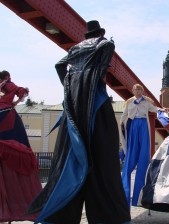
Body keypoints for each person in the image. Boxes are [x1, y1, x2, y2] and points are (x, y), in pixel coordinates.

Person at [28, 20, 131, 224]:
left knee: (68, 159)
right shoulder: (105, 44)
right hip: (97, 107)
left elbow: (59, 65)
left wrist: (69, 84)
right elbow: (99, 71)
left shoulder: (75, 48)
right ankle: (107, 217)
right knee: (104, 164)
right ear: (101, 32)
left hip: (74, 108)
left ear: (86, 35)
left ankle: (61, 216)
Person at [0, 70, 42, 222]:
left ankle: (6, 205)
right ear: (6, 77)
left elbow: (22, 92)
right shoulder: (8, 84)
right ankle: (21, 202)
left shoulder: (5, 85)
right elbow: (22, 92)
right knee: (16, 151)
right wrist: (14, 103)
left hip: (4, 117)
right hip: (8, 117)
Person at [120, 83, 165, 207]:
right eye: (135, 89)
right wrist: (122, 127)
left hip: (143, 126)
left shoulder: (146, 102)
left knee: (143, 153)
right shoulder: (129, 102)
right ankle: (125, 194)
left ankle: (137, 198)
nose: (137, 91)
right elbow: (123, 117)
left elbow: (154, 109)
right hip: (133, 126)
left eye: (139, 89)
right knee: (131, 153)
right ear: (133, 91)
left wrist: (162, 110)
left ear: (142, 91)